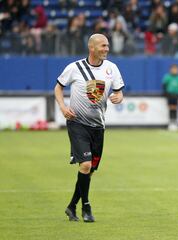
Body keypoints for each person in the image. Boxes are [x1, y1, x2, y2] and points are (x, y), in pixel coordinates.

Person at [54, 33, 125, 222]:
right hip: (77, 123)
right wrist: (63, 107)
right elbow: (58, 88)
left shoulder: (112, 68)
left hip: (98, 126)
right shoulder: (75, 68)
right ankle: (86, 207)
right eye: (103, 46)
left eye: (107, 45)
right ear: (91, 48)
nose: (107, 49)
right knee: (85, 164)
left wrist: (119, 97)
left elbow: (119, 92)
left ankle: (71, 206)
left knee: (89, 170)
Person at [162, 64, 178, 131]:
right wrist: (166, 93)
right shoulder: (167, 77)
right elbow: (164, 85)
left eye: (176, 69)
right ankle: (171, 122)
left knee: (175, 107)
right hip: (169, 95)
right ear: (170, 70)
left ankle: (175, 122)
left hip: (176, 95)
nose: (175, 70)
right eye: (173, 69)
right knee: (170, 107)